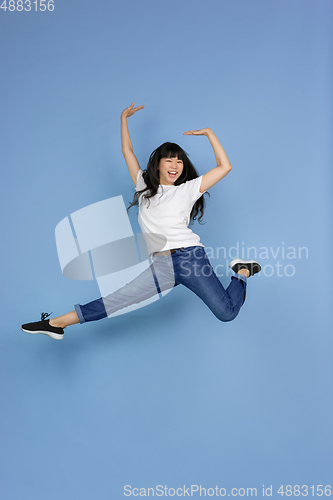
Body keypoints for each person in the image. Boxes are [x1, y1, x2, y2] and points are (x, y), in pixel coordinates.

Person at [21, 102, 261, 340]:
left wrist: (209, 133)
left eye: (179, 161)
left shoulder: (188, 189)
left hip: (189, 258)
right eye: (169, 160)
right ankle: (56, 323)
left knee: (226, 313)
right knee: (118, 300)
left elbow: (224, 166)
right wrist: (123, 119)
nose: (175, 165)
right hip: (161, 265)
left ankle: (242, 270)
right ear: (157, 164)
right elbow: (127, 151)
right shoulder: (144, 186)